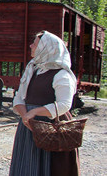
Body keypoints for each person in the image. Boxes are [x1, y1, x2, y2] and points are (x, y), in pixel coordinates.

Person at [9, 30, 79, 176]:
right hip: (29, 125)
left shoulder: (62, 75)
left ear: (46, 48)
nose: (30, 46)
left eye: (34, 44)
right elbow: (19, 98)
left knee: (50, 168)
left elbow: (64, 104)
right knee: (26, 164)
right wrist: (25, 116)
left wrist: (34, 112)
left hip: (51, 127)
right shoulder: (33, 69)